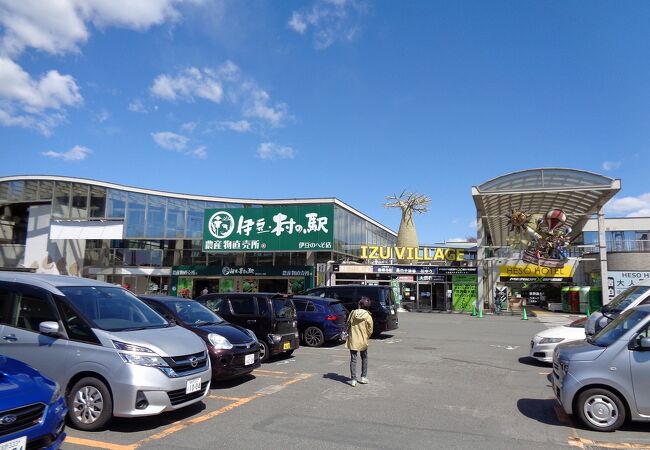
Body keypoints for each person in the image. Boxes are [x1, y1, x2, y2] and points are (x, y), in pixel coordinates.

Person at [346, 296, 373, 387]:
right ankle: (363, 377)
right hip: (363, 340)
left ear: (360, 305)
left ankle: (353, 379)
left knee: (353, 359)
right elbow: (370, 330)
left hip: (353, 339)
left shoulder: (353, 313)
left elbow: (348, 324)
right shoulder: (368, 316)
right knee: (364, 358)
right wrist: (366, 336)